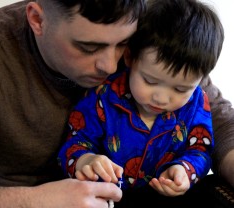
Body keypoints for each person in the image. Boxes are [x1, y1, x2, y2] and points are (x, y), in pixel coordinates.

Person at [0, 0, 233, 208]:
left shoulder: (151, 20)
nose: (112, 67)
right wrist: (29, 206)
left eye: (124, 45)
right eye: (89, 47)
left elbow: (220, 124)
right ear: (37, 19)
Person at [58, 0, 224, 197]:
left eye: (180, 89)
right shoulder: (103, 96)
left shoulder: (196, 103)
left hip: (164, 206)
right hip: (106, 202)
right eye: (150, 81)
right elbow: (76, 142)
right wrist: (86, 160)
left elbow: (201, 150)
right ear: (130, 58)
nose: (161, 98)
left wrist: (185, 170)